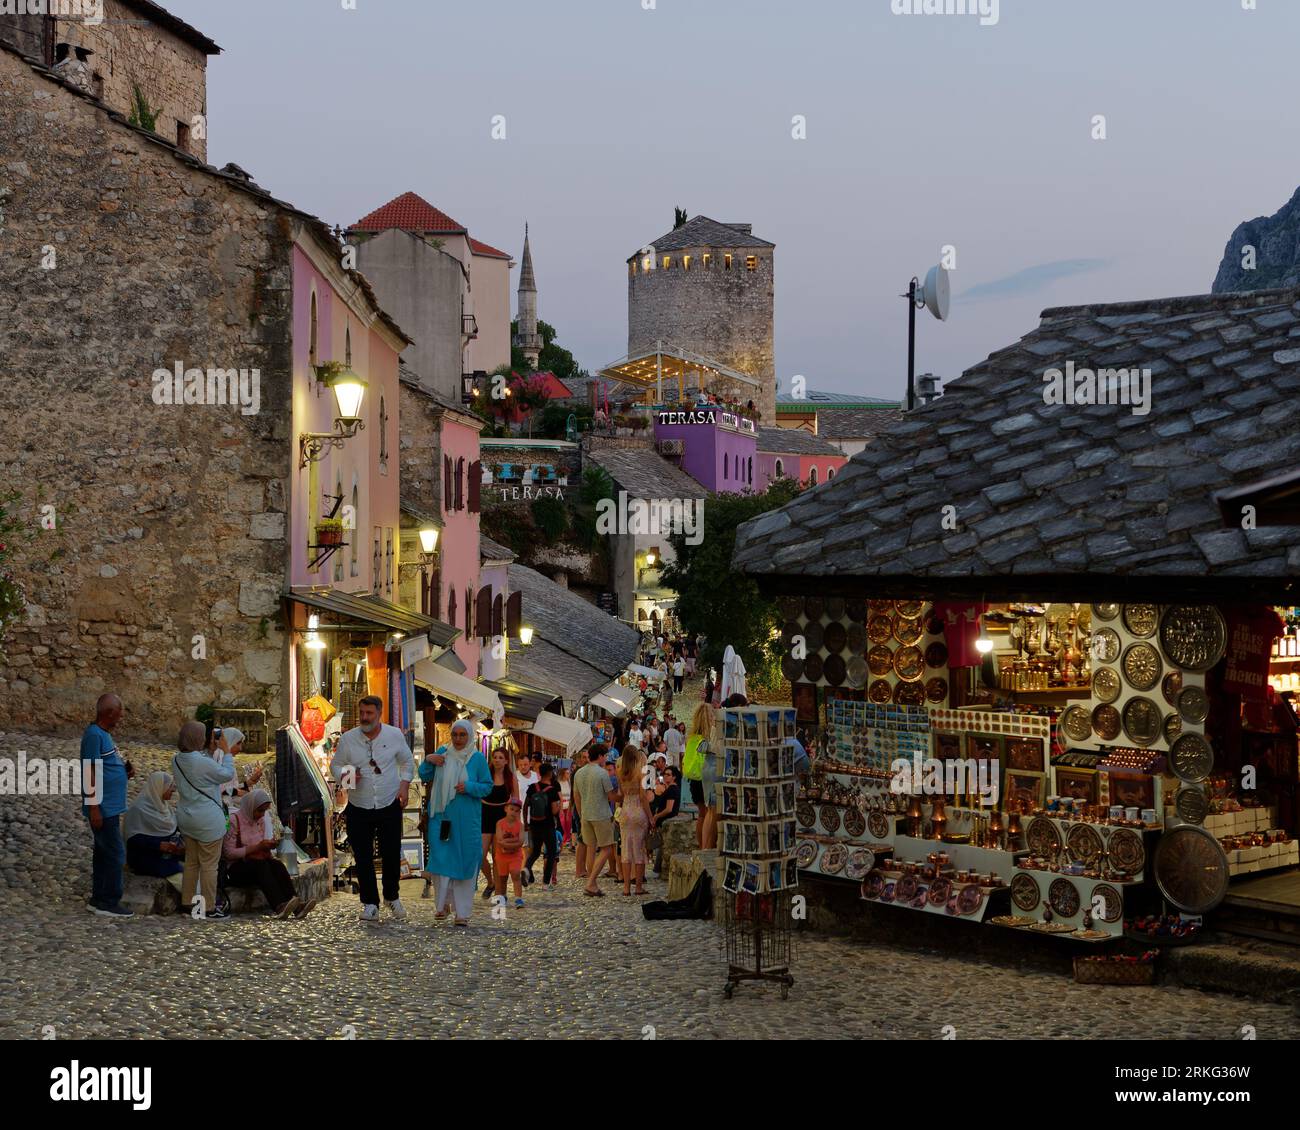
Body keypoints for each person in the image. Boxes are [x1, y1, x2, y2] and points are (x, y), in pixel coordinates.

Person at [330, 694, 414, 923]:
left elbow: (407, 762)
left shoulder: (394, 735)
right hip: (359, 804)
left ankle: (391, 896)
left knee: (390, 853)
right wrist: (348, 776)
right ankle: (370, 903)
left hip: (388, 802)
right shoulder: (348, 739)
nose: (364, 718)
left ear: (379, 714)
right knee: (363, 856)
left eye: (369, 713)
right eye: (362, 713)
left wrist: (404, 787)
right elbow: (335, 766)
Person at [420, 719, 493, 927]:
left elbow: (487, 786)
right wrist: (429, 760)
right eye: (455, 735)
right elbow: (424, 774)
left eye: (462, 735)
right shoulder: (443, 752)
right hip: (441, 818)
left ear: (469, 736)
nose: (458, 739)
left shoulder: (477, 758)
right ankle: (441, 906)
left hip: (466, 821)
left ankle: (462, 912)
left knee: (465, 861)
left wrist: (469, 787)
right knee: (442, 861)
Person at [172, 719, 235, 919]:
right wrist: (226, 752)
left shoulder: (177, 760)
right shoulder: (202, 762)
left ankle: (188, 904)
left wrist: (210, 750)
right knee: (209, 865)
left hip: (187, 818)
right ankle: (207, 907)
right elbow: (227, 774)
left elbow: (200, 767)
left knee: (191, 862)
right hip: (207, 820)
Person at [223, 788, 315, 918]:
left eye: (264, 811)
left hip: (255, 863)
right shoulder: (233, 821)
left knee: (277, 865)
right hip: (235, 869)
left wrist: (266, 848)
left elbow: (259, 846)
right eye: (259, 810)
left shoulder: (260, 821)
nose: (262, 814)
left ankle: (296, 904)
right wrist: (257, 847)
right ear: (251, 807)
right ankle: (279, 905)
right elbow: (228, 853)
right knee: (261, 867)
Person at [82, 693, 134, 918]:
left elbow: (105, 765)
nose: (121, 717)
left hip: (109, 806)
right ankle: (109, 901)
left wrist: (124, 771)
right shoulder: (94, 735)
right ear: (109, 713)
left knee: (103, 853)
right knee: (115, 854)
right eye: (119, 712)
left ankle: (98, 898)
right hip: (103, 808)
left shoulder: (104, 735)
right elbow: (89, 771)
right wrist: (94, 807)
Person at [573, 743, 619, 897]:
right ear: (600, 756)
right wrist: (625, 795)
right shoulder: (602, 773)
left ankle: (592, 882)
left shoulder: (579, 773)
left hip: (586, 815)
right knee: (606, 849)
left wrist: (581, 814)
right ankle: (591, 882)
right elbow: (611, 796)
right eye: (605, 756)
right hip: (601, 815)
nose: (605, 758)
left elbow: (576, 796)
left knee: (591, 849)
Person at [124, 770, 183, 878]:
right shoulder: (138, 809)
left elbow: (172, 828)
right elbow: (132, 838)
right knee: (182, 873)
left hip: (164, 854)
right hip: (146, 856)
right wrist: (158, 845)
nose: (173, 790)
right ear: (159, 787)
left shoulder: (163, 806)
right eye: (170, 787)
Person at [475, 746, 514, 900]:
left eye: (500, 757)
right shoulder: (486, 775)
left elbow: (516, 798)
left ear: (506, 761)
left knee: (498, 857)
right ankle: (490, 882)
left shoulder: (510, 778)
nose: (497, 760)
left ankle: (499, 891)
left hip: (501, 817)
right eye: (495, 757)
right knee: (480, 855)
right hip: (485, 814)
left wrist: (513, 818)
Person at [616, 746, 650, 896]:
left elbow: (621, 794)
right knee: (639, 849)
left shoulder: (619, 772)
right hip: (638, 811)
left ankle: (626, 888)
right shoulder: (642, 772)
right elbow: (643, 797)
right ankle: (638, 887)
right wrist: (650, 817)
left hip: (625, 811)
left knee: (626, 849)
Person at [683, 702, 715, 850]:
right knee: (710, 814)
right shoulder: (709, 738)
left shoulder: (692, 738)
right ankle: (707, 847)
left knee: (701, 815)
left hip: (693, 780)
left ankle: (701, 846)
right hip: (706, 779)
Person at [524, 763, 561, 888]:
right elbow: (555, 810)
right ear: (550, 773)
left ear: (539, 773)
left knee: (535, 851)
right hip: (548, 825)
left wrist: (526, 822)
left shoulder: (532, 788)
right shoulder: (552, 790)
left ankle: (526, 868)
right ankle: (545, 882)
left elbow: (525, 806)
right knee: (551, 852)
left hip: (534, 824)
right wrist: (559, 806)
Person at [649, 765, 682, 877]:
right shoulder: (670, 789)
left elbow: (669, 808)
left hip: (666, 820)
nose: (666, 776)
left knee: (661, 847)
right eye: (665, 774)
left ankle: (657, 869)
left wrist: (657, 816)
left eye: (668, 774)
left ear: (674, 777)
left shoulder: (672, 789)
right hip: (663, 821)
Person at [493, 798, 526, 908]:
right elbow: (499, 840)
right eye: (512, 809)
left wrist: (508, 845)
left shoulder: (520, 825)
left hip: (515, 855)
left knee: (516, 873)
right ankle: (503, 895)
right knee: (503, 877)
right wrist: (513, 843)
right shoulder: (500, 823)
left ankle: (518, 898)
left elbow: (521, 841)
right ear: (506, 809)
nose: (514, 812)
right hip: (501, 856)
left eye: (517, 811)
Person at [513, 751, 540, 882]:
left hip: (535, 816)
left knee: (534, 847)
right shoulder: (515, 777)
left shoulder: (536, 776)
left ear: (530, 764)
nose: (523, 767)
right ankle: (525, 871)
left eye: (525, 764)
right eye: (520, 765)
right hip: (521, 817)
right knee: (525, 847)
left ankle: (527, 869)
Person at [557, 766, 573, 849]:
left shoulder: (569, 782)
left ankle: (567, 839)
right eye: (567, 773)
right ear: (563, 774)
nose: (569, 774)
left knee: (568, 822)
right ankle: (562, 839)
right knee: (562, 822)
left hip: (568, 805)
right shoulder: (558, 783)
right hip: (561, 806)